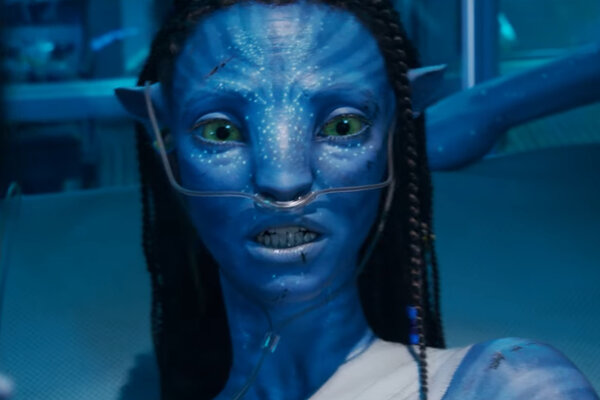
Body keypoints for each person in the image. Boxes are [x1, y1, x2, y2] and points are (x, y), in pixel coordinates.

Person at [115, 1, 599, 399]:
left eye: (342, 126)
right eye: (221, 132)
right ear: (164, 137)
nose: (284, 181)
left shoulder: (507, 386)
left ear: (394, 130)